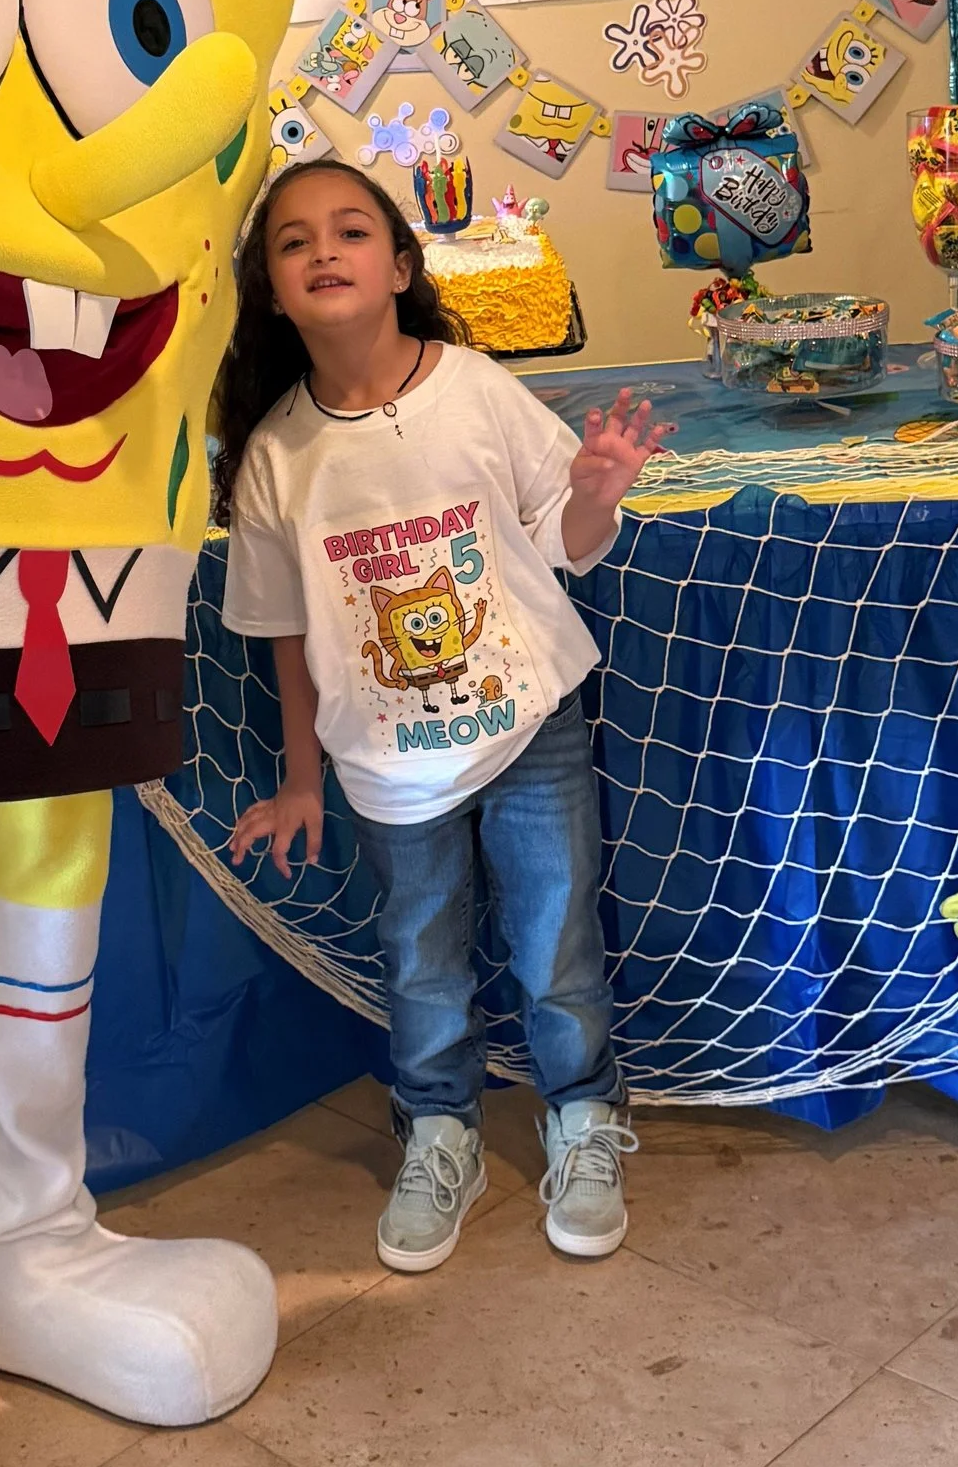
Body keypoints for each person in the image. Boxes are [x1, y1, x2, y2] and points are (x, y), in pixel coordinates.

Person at [216, 160, 660, 1270]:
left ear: (402, 267)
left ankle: (583, 1114)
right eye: (294, 241)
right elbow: (282, 630)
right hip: (386, 763)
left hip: (529, 726)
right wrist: (302, 779)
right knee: (419, 960)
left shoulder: (472, 387)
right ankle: (438, 1129)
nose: (324, 251)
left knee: (556, 941)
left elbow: (563, 543)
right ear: (271, 290)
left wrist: (595, 494)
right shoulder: (275, 456)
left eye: (351, 230)